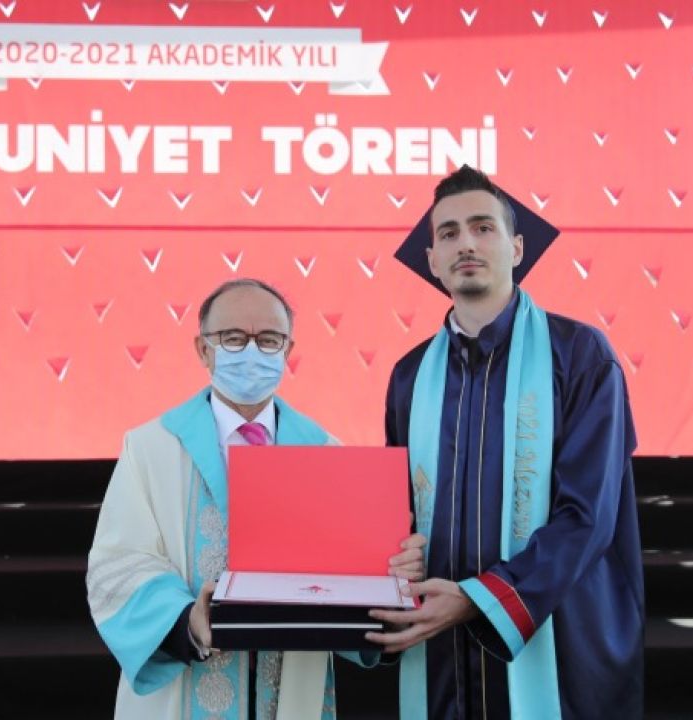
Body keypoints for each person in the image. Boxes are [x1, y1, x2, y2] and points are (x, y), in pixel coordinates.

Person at [369, 165, 646, 719]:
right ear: (432, 260)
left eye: (483, 227)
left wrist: (481, 599)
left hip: (559, 641)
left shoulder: (581, 355)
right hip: (443, 655)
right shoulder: (410, 375)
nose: (466, 244)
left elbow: (588, 516)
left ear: (517, 247)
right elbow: (400, 513)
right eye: (449, 233)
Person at [88, 278, 425, 719]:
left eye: (268, 340)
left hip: (291, 688)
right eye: (232, 338)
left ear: (288, 350)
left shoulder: (325, 453)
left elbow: (349, 574)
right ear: (203, 349)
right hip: (185, 689)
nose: (251, 352)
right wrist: (187, 620)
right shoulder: (151, 447)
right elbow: (118, 563)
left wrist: (392, 575)